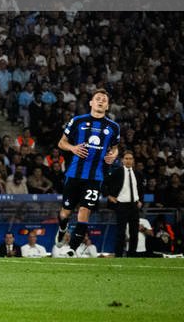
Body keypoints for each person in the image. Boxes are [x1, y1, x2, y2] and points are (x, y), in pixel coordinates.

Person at [53, 90, 119, 257]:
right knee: (65, 212)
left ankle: (71, 249)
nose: (101, 101)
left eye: (104, 100)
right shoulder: (78, 121)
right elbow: (61, 143)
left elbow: (115, 147)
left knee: (84, 211)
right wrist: (73, 148)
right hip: (74, 174)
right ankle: (62, 228)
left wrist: (114, 154)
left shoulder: (113, 127)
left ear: (107, 105)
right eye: (97, 98)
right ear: (91, 102)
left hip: (95, 177)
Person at [106, 152, 143, 255]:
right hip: (122, 205)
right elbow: (105, 184)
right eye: (126, 158)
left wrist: (140, 200)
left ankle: (132, 255)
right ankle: (118, 255)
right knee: (121, 233)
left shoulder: (137, 174)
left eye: (130, 158)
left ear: (133, 160)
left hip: (134, 206)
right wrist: (109, 196)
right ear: (122, 160)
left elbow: (141, 189)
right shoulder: (117, 172)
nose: (128, 160)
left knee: (134, 232)